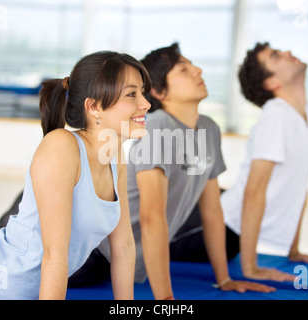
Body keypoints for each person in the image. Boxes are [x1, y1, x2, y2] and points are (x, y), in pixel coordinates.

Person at [0, 51, 152, 300]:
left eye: (142, 92)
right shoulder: (62, 146)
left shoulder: (115, 156)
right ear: (94, 106)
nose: (145, 103)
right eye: (132, 94)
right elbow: (55, 255)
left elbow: (124, 246)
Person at [86, 43, 274, 300]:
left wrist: (225, 279)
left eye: (192, 65)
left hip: (123, 260)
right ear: (160, 91)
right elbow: (152, 218)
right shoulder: (158, 129)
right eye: (184, 69)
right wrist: (166, 300)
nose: (198, 70)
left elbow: (212, 210)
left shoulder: (208, 128)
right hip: (92, 255)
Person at [221, 42, 308, 282]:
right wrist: (250, 268)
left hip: (230, 221)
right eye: (276, 56)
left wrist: (293, 251)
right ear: (271, 83)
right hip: (222, 226)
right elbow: (254, 192)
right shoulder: (276, 115)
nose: (288, 52)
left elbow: (299, 185)